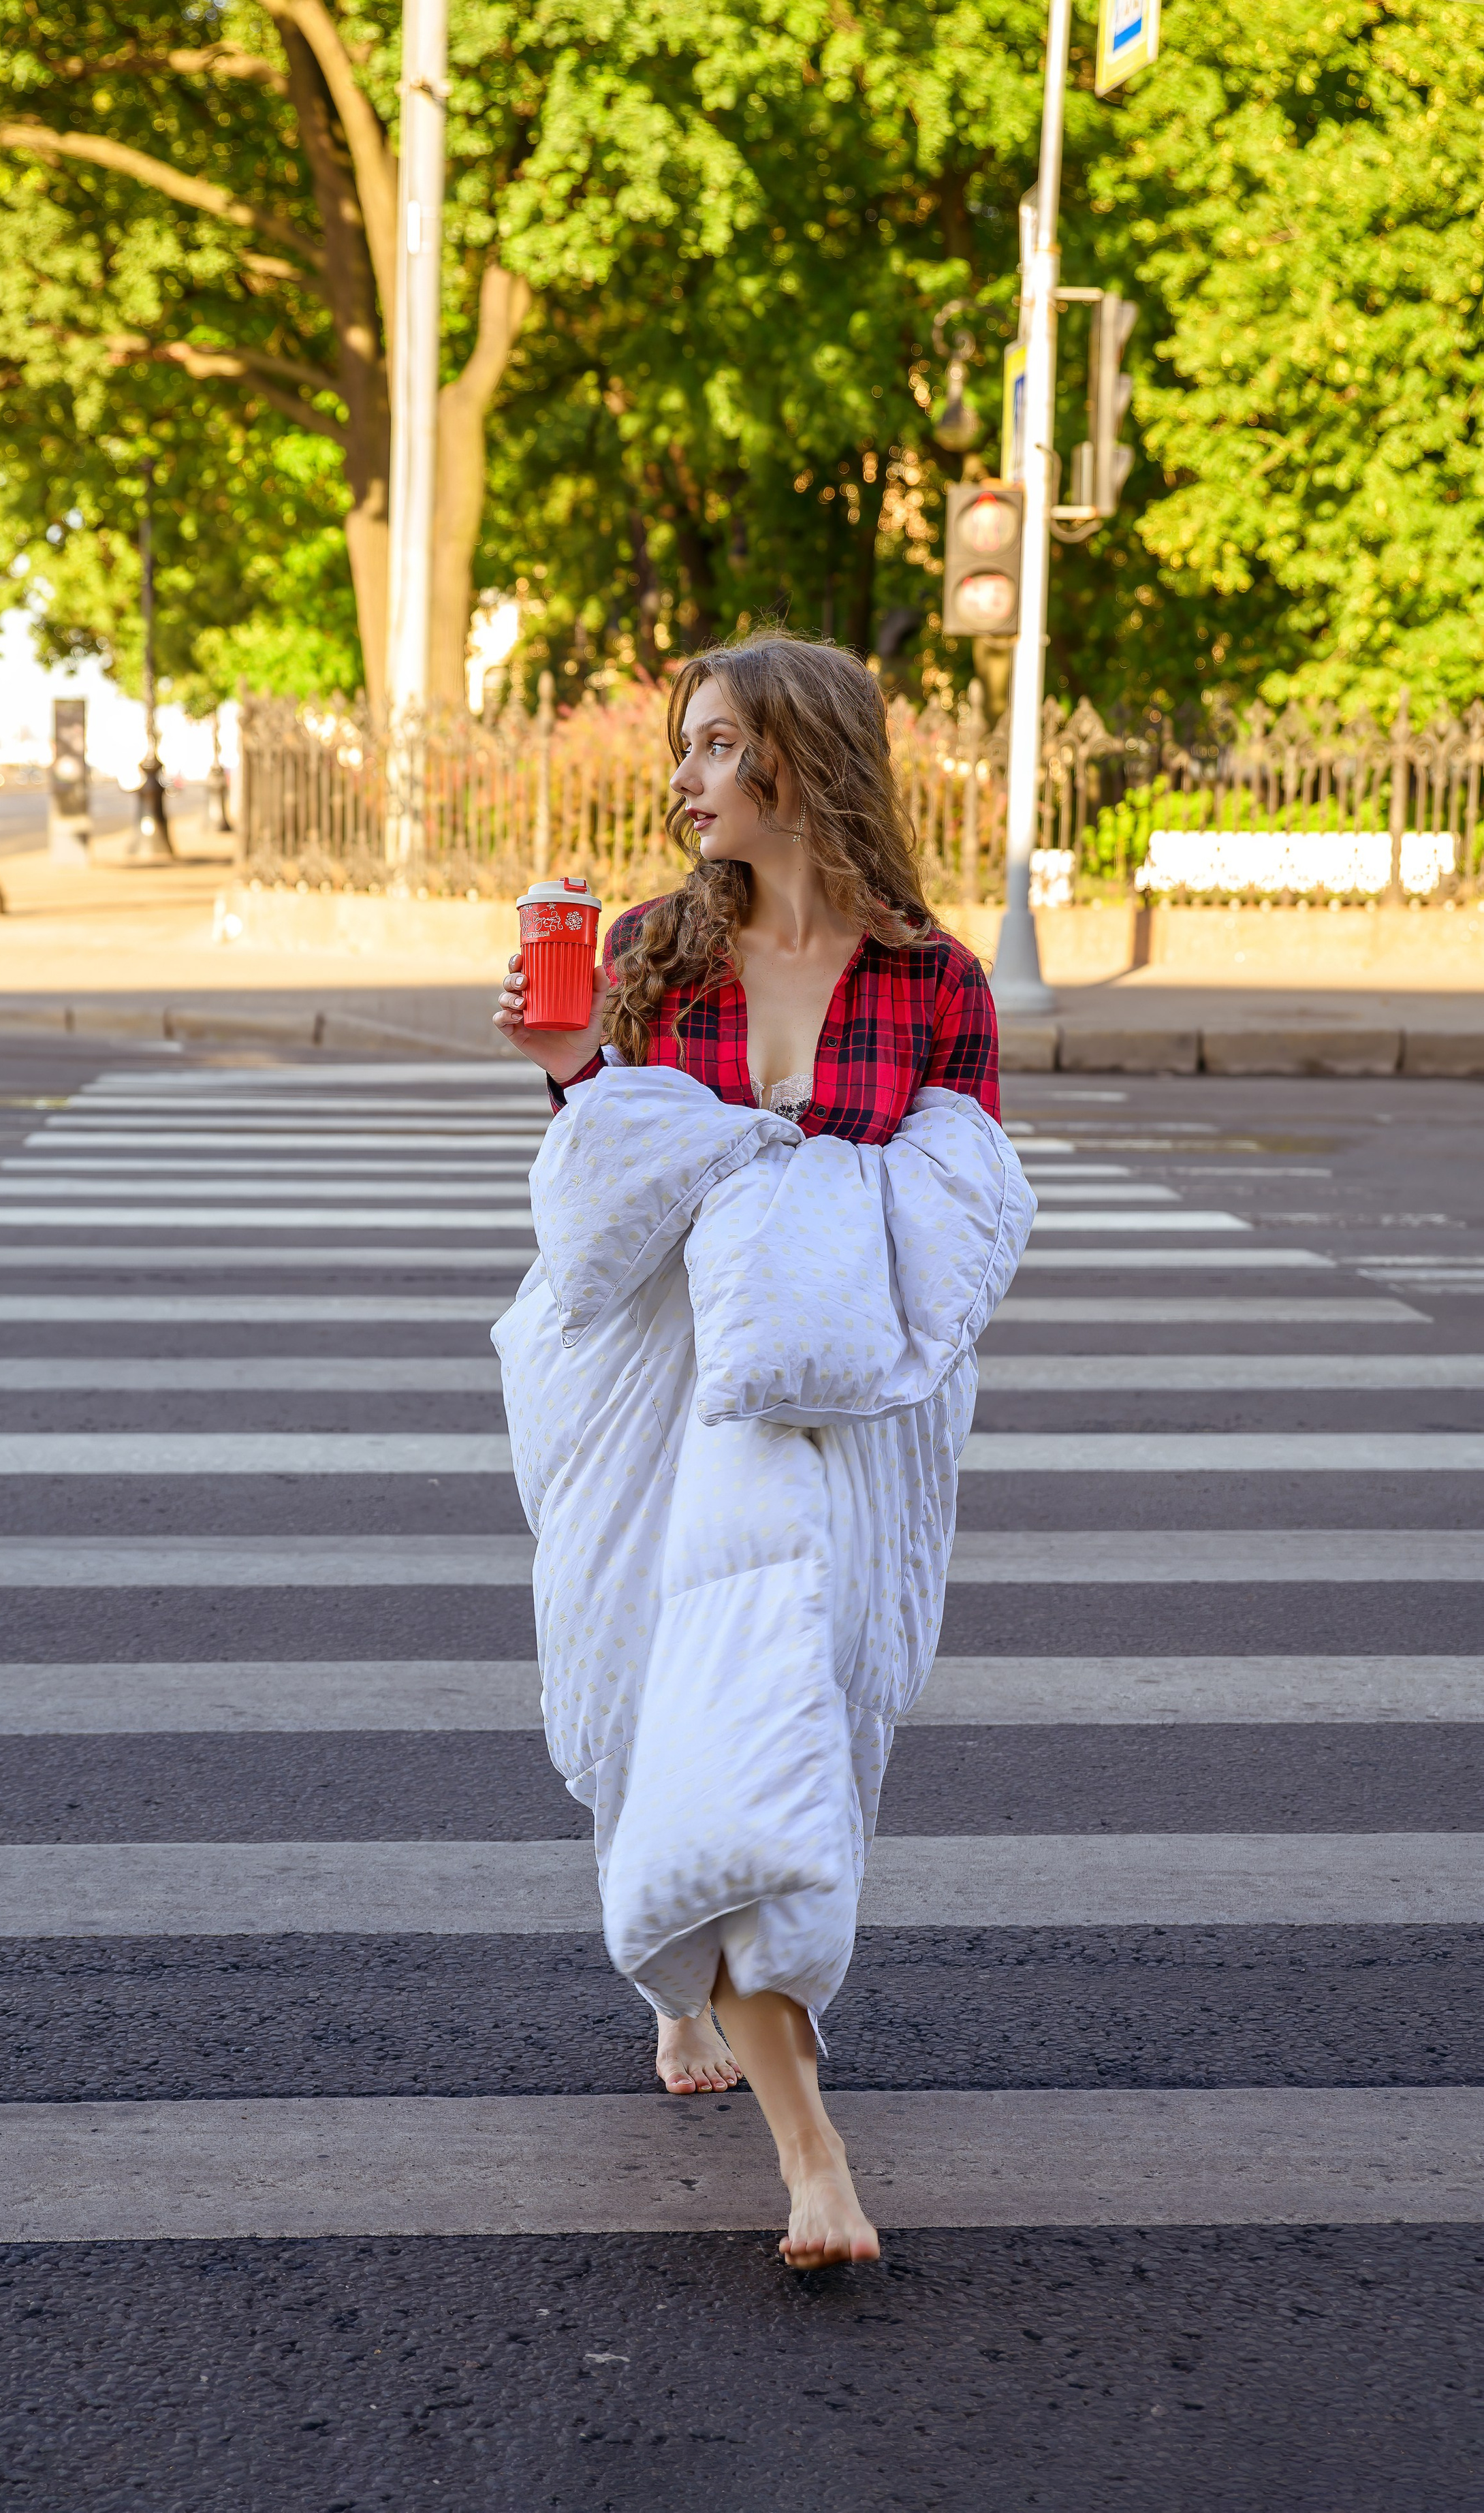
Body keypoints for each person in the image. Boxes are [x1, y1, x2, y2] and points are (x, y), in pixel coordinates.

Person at [493, 631, 1015, 2270]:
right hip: (667, 1400)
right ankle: (794, 2130)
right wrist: (568, 1072)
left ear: (806, 757)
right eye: (685, 744)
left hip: (833, 1411)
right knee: (661, 1717)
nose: (685, 777)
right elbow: (604, 1196)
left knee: (790, 1725)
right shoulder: (652, 951)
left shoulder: (933, 980)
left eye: (717, 744)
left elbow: (962, 1220)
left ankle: (737, 2018)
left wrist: (811, 1210)